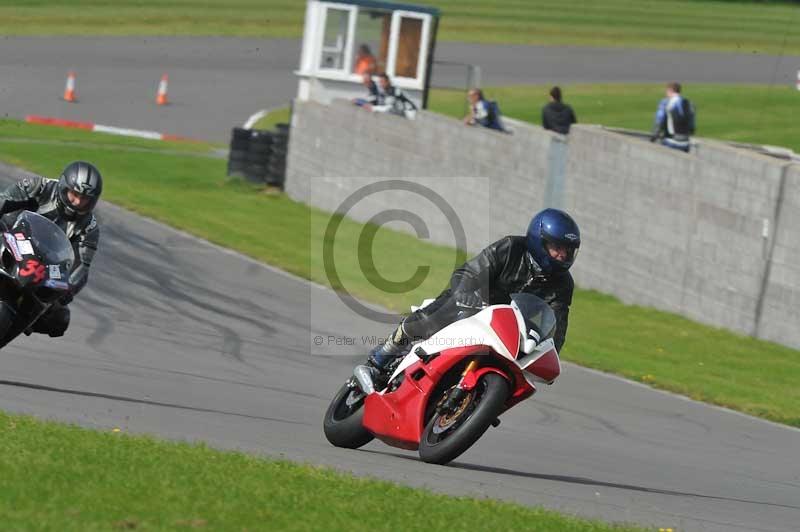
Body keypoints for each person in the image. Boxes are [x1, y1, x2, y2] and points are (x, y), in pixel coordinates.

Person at [364, 208, 580, 381]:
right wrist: (465, 292)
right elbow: (470, 271)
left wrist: (550, 356)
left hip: (506, 329)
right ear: (539, 240)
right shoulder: (511, 248)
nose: (562, 255)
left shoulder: (563, 284)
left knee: (517, 372)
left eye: (568, 250)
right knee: (438, 315)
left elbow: (557, 323)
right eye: (557, 248)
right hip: (472, 303)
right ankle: (384, 354)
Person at [0, 161, 102, 338]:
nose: (77, 202)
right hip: (7, 240)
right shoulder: (39, 187)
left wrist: (62, 291)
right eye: (74, 194)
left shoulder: (89, 228)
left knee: (59, 319)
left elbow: (81, 267)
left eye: (84, 199)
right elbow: (3, 200)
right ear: (64, 187)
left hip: (39, 269)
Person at [650, 82, 694, 153]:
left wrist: (653, 138)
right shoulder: (689, 103)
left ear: (670, 90)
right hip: (685, 143)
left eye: (666, 91)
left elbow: (659, 122)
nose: (666, 94)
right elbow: (692, 125)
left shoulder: (665, 103)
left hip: (671, 141)